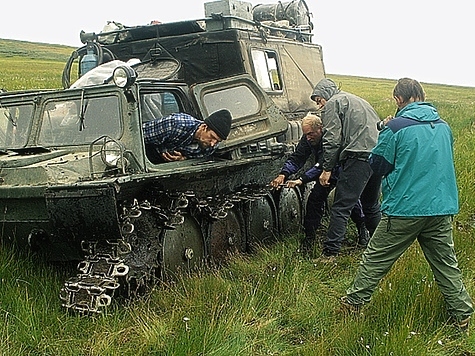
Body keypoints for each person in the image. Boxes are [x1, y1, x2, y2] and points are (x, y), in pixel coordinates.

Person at [342, 78, 473, 331]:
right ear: (421, 95)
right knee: (446, 264)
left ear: (398, 99)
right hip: (441, 208)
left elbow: (378, 165)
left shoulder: (396, 127)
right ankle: (462, 316)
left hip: (405, 208)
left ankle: (353, 303)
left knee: (375, 259)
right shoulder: (444, 126)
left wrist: (385, 130)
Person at [270, 113, 369, 256]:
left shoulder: (331, 137)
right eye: (306, 135)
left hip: (341, 170)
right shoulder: (308, 139)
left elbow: (323, 162)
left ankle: (362, 230)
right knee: (314, 200)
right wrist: (283, 174)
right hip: (324, 175)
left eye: (311, 134)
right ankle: (309, 238)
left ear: (320, 129)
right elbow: (298, 157)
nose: (308, 138)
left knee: (350, 202)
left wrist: (302, 179)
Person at [310, 78, 382, 259]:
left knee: (341, 207)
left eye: (319, 101)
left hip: (358, 157)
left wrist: (327, 169)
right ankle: (380, 249)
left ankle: (330, 253)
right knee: (371, 205)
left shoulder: (333, 103)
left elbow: (332, 139)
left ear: (326, 95)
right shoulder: (357, 100)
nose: (320, 106)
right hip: (377, 156)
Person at [143, 109, 232, 163]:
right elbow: (138, 137)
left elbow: (196, 160)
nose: (213, 144)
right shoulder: (174, 124)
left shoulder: (212, 146)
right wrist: (162, 149)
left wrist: (183, 158)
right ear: (204, 127)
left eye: (217, 141)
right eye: (212, 137)